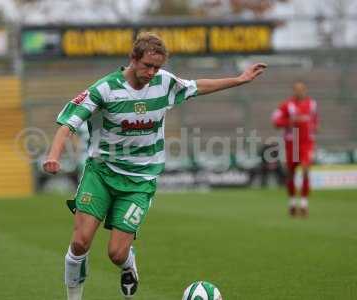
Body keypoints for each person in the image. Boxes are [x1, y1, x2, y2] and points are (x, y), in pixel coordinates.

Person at [43, 32, 267, 300]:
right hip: (100, 173)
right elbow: (68, 123)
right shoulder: (104, 89)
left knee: (116, 253)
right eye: (147, 65)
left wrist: (239, 80)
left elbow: (198, 86)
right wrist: (53, 156)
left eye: (157, 67)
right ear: (132, 59)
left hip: (140, 180)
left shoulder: (165, 83)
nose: (152, 72)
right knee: (80, 242)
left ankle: (128, 262)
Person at [272, 81, 318, 217]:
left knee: (305, 170)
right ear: (293, 91)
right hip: (292, 143)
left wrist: (314, 128)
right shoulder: (287, 105)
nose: (300, 92)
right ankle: (292, 203)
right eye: (297, 89)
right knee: (291, 174)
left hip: (307, 143)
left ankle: (304, 204)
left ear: (306, 90)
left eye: (302, 89)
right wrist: (290, 122)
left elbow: (315, 120)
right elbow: (275, 122)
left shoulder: (313, 104)